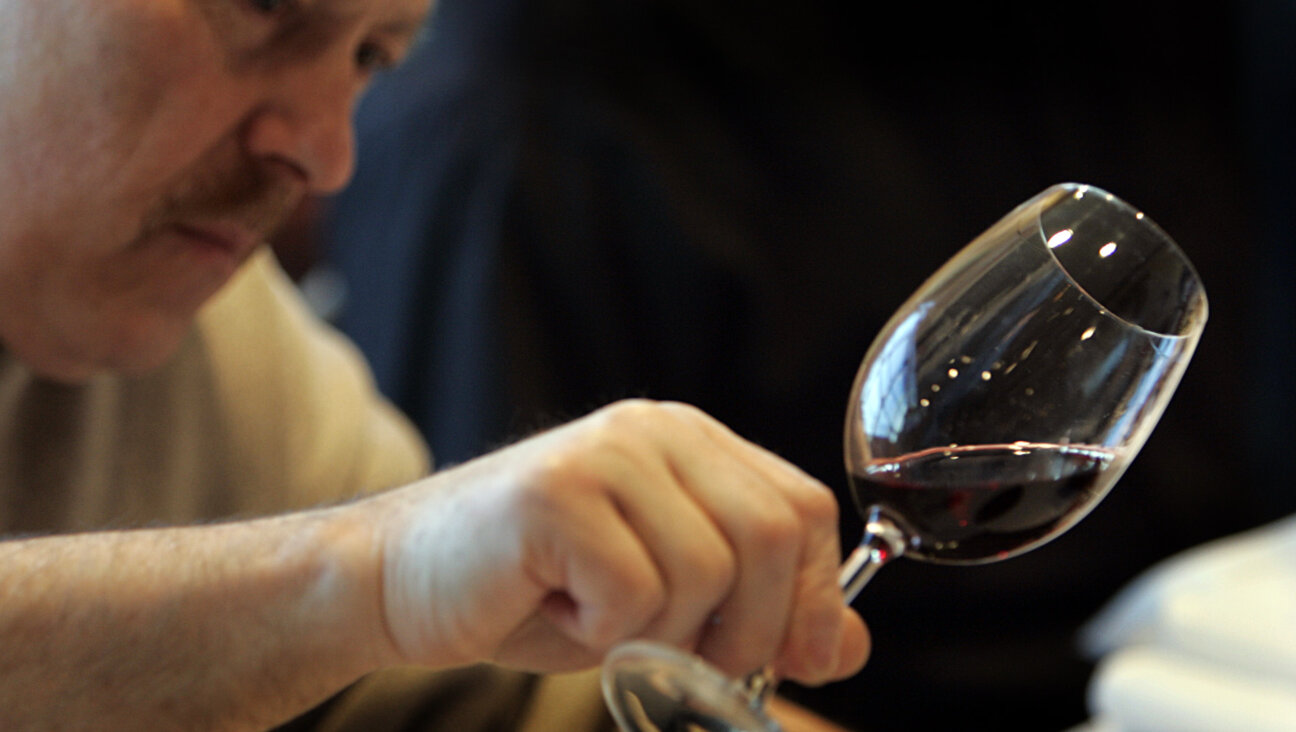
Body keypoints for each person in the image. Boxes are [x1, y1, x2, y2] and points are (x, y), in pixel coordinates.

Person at [0, 2, 869, 730]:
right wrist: (365, 585)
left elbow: (497, 702)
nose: (326, 157)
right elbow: (370, 595)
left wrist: (370, 593)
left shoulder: (232, 345)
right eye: (261, 8)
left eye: (370, 56)